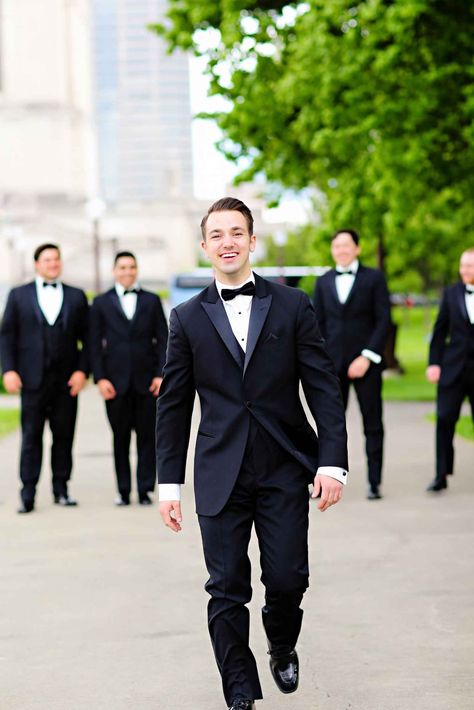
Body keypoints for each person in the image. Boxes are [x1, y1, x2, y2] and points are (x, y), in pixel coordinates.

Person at [156, 198, 348, 710]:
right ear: (204, 246)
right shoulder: (186, 318)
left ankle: (281, 641)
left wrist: (332, 462)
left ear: (252, 240)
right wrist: (168, 484)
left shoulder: (292, 305)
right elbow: (173, 407)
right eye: (217, 234)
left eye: (236, 232)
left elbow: (323, 389)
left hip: (285, 466)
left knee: (287, 578)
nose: (227, 242)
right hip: (220, 472)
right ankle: (240, 693)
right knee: (225, 588)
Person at [0, 243, 89, 513]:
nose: (53, 264)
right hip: (32, 380)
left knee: (64, 436)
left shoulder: (76, 296)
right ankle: (28, 493)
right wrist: (9, 370)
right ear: (37, 264)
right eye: (47, 260)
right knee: (31, 438)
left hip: (66, 382)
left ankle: (61, 489)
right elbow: (7, 336)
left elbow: (90, 338)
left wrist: (82, 371)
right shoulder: (18, 295)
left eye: (56, 259)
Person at [313, 229, 391, 500]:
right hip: (332, 367)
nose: (342, 250)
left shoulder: (374, 278)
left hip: (366, 364)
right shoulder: (322, 282)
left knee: (373, 424)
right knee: (329, 424)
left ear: (357, 248)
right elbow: (317, 325)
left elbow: (383, 320)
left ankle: (374, 483)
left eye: (347, 246)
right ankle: (325, 481)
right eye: (337, 246)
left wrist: (367, 356)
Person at [90, 251, 168, 506]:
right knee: (120, 438)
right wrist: (101, 379)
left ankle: (145, 489)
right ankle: (123, 491)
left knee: (147, 438)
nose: (127, 271)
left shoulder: (152, 300)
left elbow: (164, 341)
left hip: (147, 383)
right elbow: (94, 344)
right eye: (122, 267)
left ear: (137, 270)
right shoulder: (101, 303)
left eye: (132, 267)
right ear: (114, 271)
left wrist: (160, 375)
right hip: (115, 383)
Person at [426, 247, 474, 492]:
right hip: (452, 369)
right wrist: (434, 363)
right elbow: (439, 331)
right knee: (444, 419)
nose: (466, 270)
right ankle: (441, 474)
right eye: (463, 265)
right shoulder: (451, 293)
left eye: (471, 265)